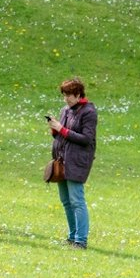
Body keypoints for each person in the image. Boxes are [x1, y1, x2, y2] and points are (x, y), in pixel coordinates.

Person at [48, 76, 97, 249]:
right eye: (64, 95)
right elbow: (63, 134)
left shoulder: (89, 112)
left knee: (77, 200)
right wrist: (55, 130)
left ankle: (81, 240)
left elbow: (86, 139)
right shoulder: (65, 110)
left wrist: (62, 129)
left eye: (69, 95)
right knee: (66, 201)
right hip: (62, 160)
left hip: (77, 161)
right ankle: (72, 236)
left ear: (78, 94)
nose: (66, 99)